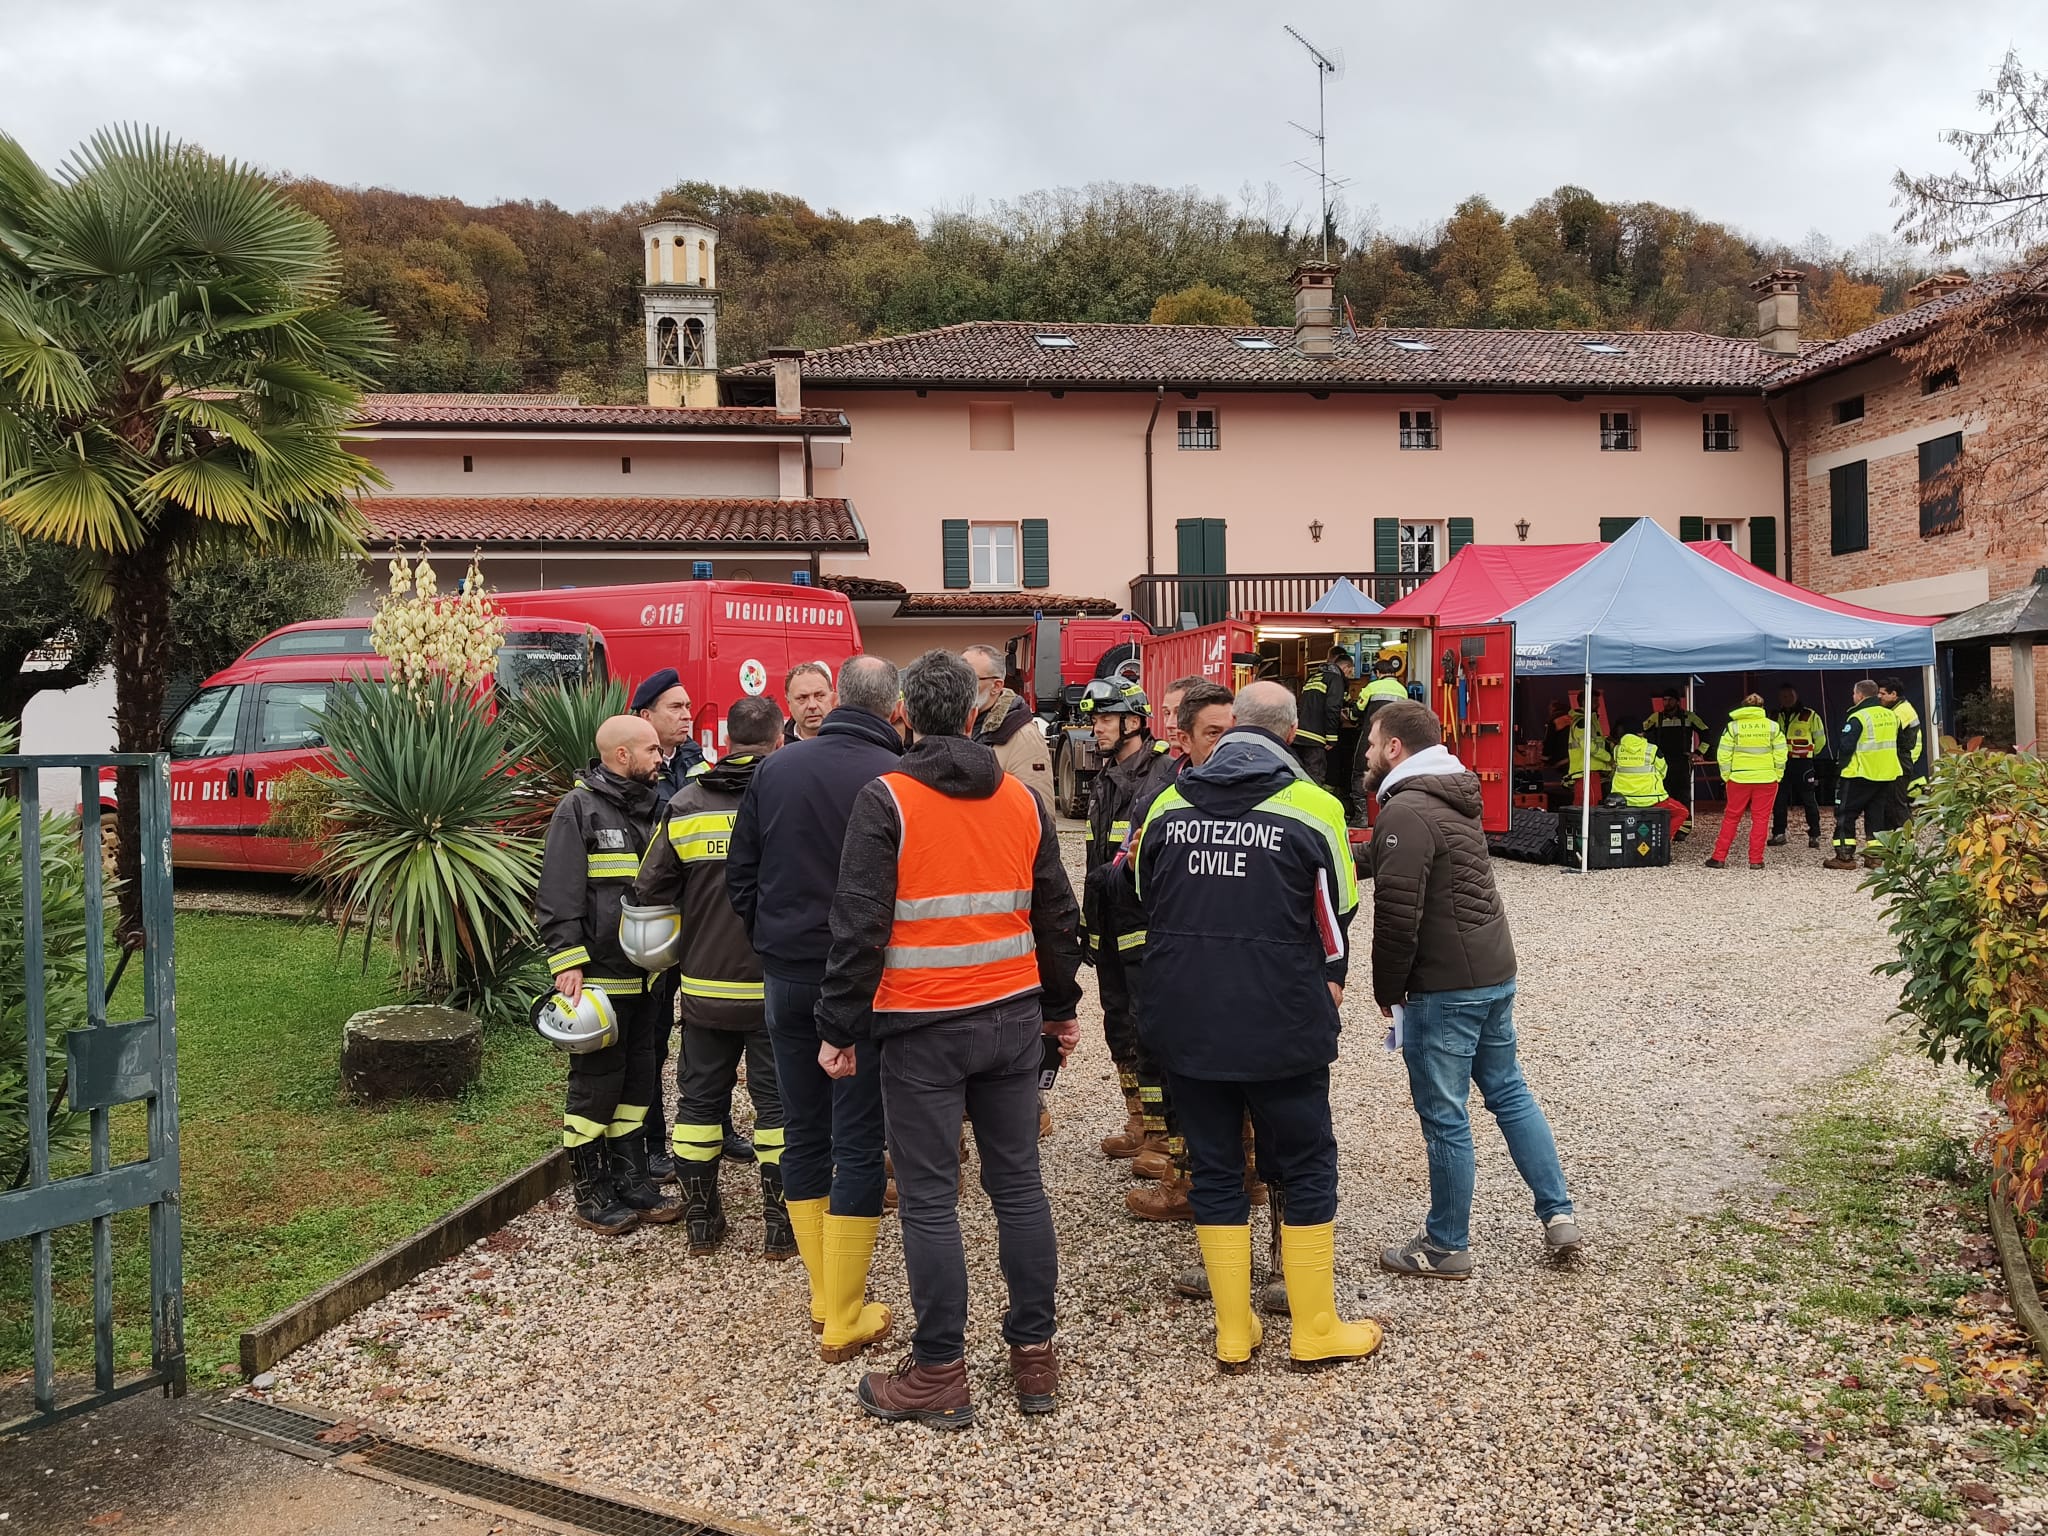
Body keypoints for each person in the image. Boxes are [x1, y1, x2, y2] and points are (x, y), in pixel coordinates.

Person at [817, 649, 1082, 1428]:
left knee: (930, 1201)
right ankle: (1035, 1358)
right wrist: (1060, 1009)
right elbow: (1056, 917)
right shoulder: (1026, 802)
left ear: (905, 715)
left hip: (921, 1027)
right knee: (1019, 1189)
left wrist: (838, 1027)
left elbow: (857, 926)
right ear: (973, 713)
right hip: (1009, 1019)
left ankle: (939, 1371)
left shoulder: (887, 798)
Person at [1130, 679, 1380, 1372]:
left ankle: (1233, 1331)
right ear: (1292, 735)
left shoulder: (1168, 803)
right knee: (1303, 1166)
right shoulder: (1315, 807)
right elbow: (1341, 912)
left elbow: (1146, 894)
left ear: (1232, 728)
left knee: (1213, 1168)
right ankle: (1314, 1325)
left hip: (1187, 1021)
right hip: (1281, 1022)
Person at [726, 653, 905, 1359]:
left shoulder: (774, 769)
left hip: (788, 975)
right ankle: (845, 1311)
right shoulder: (894, 775)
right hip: (862, 978)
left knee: (803, 1128)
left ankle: (822, 1294)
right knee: (859, 1137)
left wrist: (774, 941)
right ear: (892, 709)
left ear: (833, 702)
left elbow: (741, 874)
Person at [1363, 699, 1579, 1280]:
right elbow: (1405, 861)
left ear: (1393, 749)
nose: (1363, 753)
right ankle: (1558, 1212)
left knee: (1444, 1114)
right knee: (1509, 1093)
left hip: (1444, 985)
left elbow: (1398, 914)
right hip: (1491, 971)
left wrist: (1387, 989)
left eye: (1370, 742)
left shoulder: (1405, 809)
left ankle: (1445, 1244)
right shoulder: (1447, 793)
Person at [629, 696, 790, 1259]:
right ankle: (779, 1228)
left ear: (726, 740)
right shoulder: (791, 801)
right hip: (776, 991)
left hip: (704, 991)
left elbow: (648, 891)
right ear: (778, 739)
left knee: (698, 1106)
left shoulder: (687, 803)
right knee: (777, 1111)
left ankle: (702, 1223)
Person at [536, 715, 685, 1234]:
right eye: (650, 749)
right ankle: (591, 1190)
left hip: (648, 980)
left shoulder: (657, 807)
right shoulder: (578, 810)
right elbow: (559, 894)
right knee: (596, 1086)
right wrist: (566, 961)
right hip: (599, 982)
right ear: (622, 756)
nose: (659, 756)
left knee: (639, 1081)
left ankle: (632, 1179)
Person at [1077, 679, 1170, 1172]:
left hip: (1144, 927)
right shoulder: (1107, 775)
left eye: (1104, 719)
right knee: (1118, 1027)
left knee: (1147, 1028)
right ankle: (1139, 1121)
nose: (1097, 728)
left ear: (1132, 722)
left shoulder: (1160, 776)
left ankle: (1160, 1135)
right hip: (1108, 926)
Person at [629, 667, 708, 1177]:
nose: (686, 716)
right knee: (651, 1041)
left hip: (701, 924)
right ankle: (653, 1143)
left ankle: (714, 1128)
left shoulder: (698, 762)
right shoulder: (630, 772)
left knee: (708, 1033)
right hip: (655, 930)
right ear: (645, 717)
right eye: (675, 708)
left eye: (686, 707)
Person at [965, 644, 1055, 809]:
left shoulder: (1022, 736)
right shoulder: (955, 726)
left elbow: (1039, 811)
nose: (961, 685)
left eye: (970, 678)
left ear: (996, 686)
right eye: (958, 676)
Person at [1823, 680, 1901, 871]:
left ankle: (1844, 856)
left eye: (1854, 694)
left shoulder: (1858, 717)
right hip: (1886, 773)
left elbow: (1846, 746)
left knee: (1845, 814)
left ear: (1861, 696)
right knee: (1876, 816)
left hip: (1859, 773)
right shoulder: (1892, 715)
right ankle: (1875, 857)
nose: (1853, 697)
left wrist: (1839, 769)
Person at [1705, 694, 1788, 869]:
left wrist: (1727, 776)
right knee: (1761, 819)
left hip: (1738, 778)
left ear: (1743, 707)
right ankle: (1756, 860)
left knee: (1731, 818)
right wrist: (1777, 774)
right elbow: (1781, 753)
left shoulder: (1733, 727)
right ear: (1762, 708)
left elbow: (1723, 754)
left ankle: (1719, 857)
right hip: (1767, 779)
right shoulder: (1773, 726)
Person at [1642, 686, 1710, 828]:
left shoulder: (1689, 717)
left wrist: (1698, 753)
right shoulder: (1656, 717)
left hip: (1682, 762)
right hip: (1662, 762)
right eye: (1664, 700)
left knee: (1683, 795)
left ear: (1677, 701)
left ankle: (1683, 829)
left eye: (1670, 700)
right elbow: (1641, 736)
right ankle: (1665, 826)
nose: (1666, 703)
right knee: (1663, 794)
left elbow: (1707, 734)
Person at [1769, 685, 1827, 849]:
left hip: (1803, 763)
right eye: (1783, 696)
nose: (1786, 699)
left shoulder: (1809, 715)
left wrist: (1810, 754)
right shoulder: (1774, 715)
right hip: (1781, 763)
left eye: (1789, 695)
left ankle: (1815, 835)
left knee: (1809, 799)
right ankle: (1779, 833)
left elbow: (1820, 740)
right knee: (1779, 799)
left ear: (1796, 696)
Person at [1607, 731, 1689, 838]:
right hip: (1651, 799)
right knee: (1682, 812)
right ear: (1641, 733)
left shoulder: (1617, 750)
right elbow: (1663, 771)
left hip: (1624, 799)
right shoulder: (1652, 749)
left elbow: (1614, 769)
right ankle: (1662, 842)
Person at [1292, 648, 1353, 789]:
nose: (1349, 676)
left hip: (1299, 734)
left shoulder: (1314, 677)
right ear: (1345, 667)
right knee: (1315, 779)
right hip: (1315, 737)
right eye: (1349, 672)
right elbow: (1332, 708)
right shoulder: (1336, 679)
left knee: (1300, 777)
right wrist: (1332, 737)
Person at [1878, 677, 1927, 819]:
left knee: (1897, 802)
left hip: (1902, 758)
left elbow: (1888, 734)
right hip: (1901, 757)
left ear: (1894, 694)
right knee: (1893, 801)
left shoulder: (1900, 712)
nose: (1879, 697)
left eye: (1882, 693)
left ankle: (1906, 836)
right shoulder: (1899, 707)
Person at [1563, 692, 1611, 807]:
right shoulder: (1582, 721)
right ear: (1585, 702)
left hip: (1588, 770)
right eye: (1595, 702)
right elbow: (1589, 746)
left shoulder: (1589, 720)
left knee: (1582, 805)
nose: (1598, 705)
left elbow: (1599, 741)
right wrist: (1609, 758)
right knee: (1591, 805)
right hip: (1587, 770)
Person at [784, 661, 834, 744]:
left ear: (832, 696)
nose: (812, 705)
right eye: (802, 698)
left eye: (819, 696)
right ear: (789, 702)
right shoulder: (775, 748)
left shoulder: (852, 740)